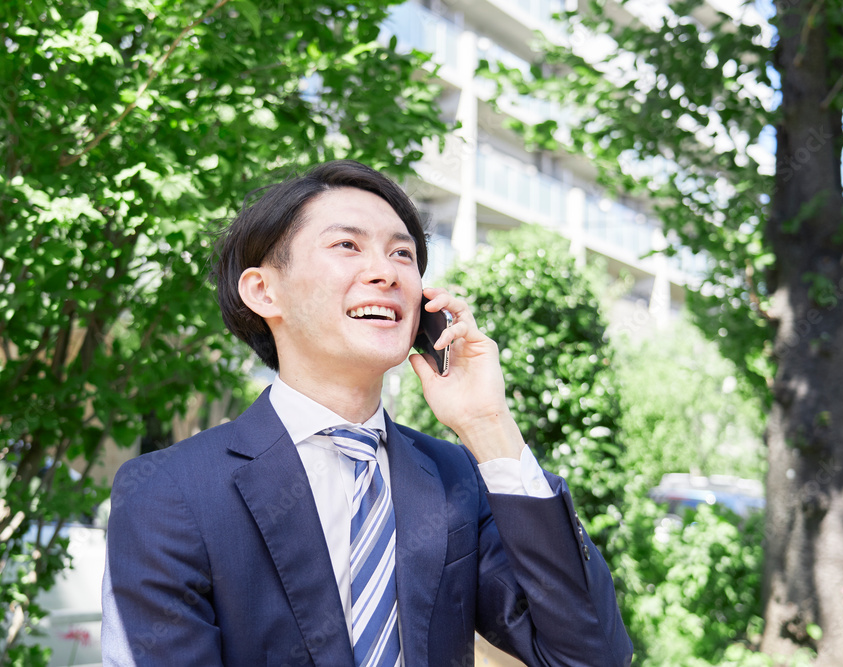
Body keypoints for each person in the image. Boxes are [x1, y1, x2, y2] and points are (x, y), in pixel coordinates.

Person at [101, 160, 633, 666]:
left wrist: (487, 426)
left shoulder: (456, 480)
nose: (385, 271)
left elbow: (590, 655)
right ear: (264, 290)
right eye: (347, 245)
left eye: (403, 255)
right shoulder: (169, 491)